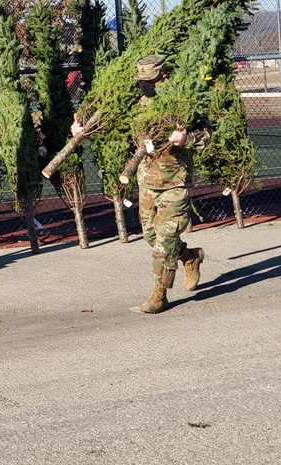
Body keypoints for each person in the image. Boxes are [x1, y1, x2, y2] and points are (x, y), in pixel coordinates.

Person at [72, 53, 208, 314]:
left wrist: (186, 137)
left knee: (165, 241)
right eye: (142, 80)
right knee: (151, 236)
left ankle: (159, 295)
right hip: (146, 181)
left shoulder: (183, 100)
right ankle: (190, 257)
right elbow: (111, 129)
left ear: (164, 76)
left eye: (151, 79)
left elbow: (207, 134)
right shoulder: (135, 101)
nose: (146, 84)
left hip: (175, 181)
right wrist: (83, 132)